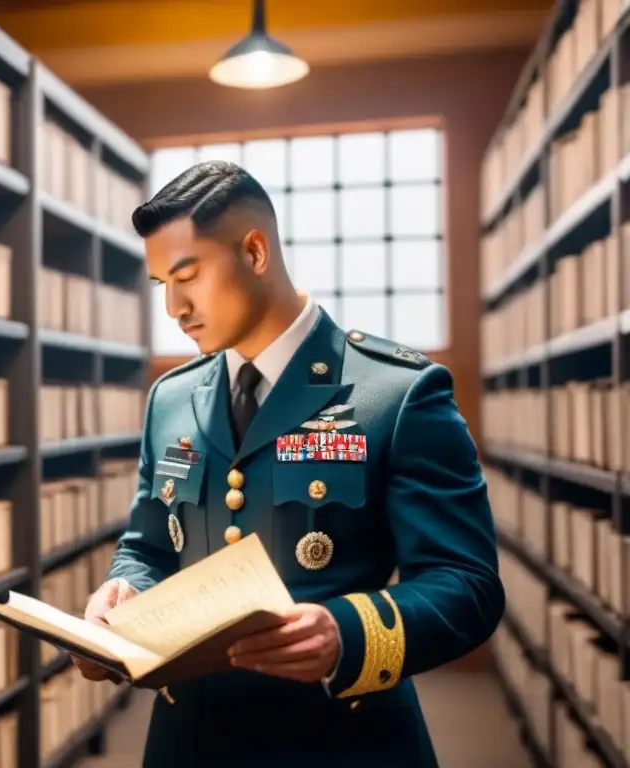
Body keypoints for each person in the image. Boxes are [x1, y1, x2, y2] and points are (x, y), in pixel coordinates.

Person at [74, 160, 505, 767]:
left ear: (254, 252)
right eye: (160, 284)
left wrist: (346, 634)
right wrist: (123, 594)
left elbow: (469, 585)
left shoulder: (396, 392)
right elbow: (147, 545)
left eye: (187, 275)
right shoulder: (171, 398)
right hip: (188, 739)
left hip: (339, 738)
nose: (174, 306)